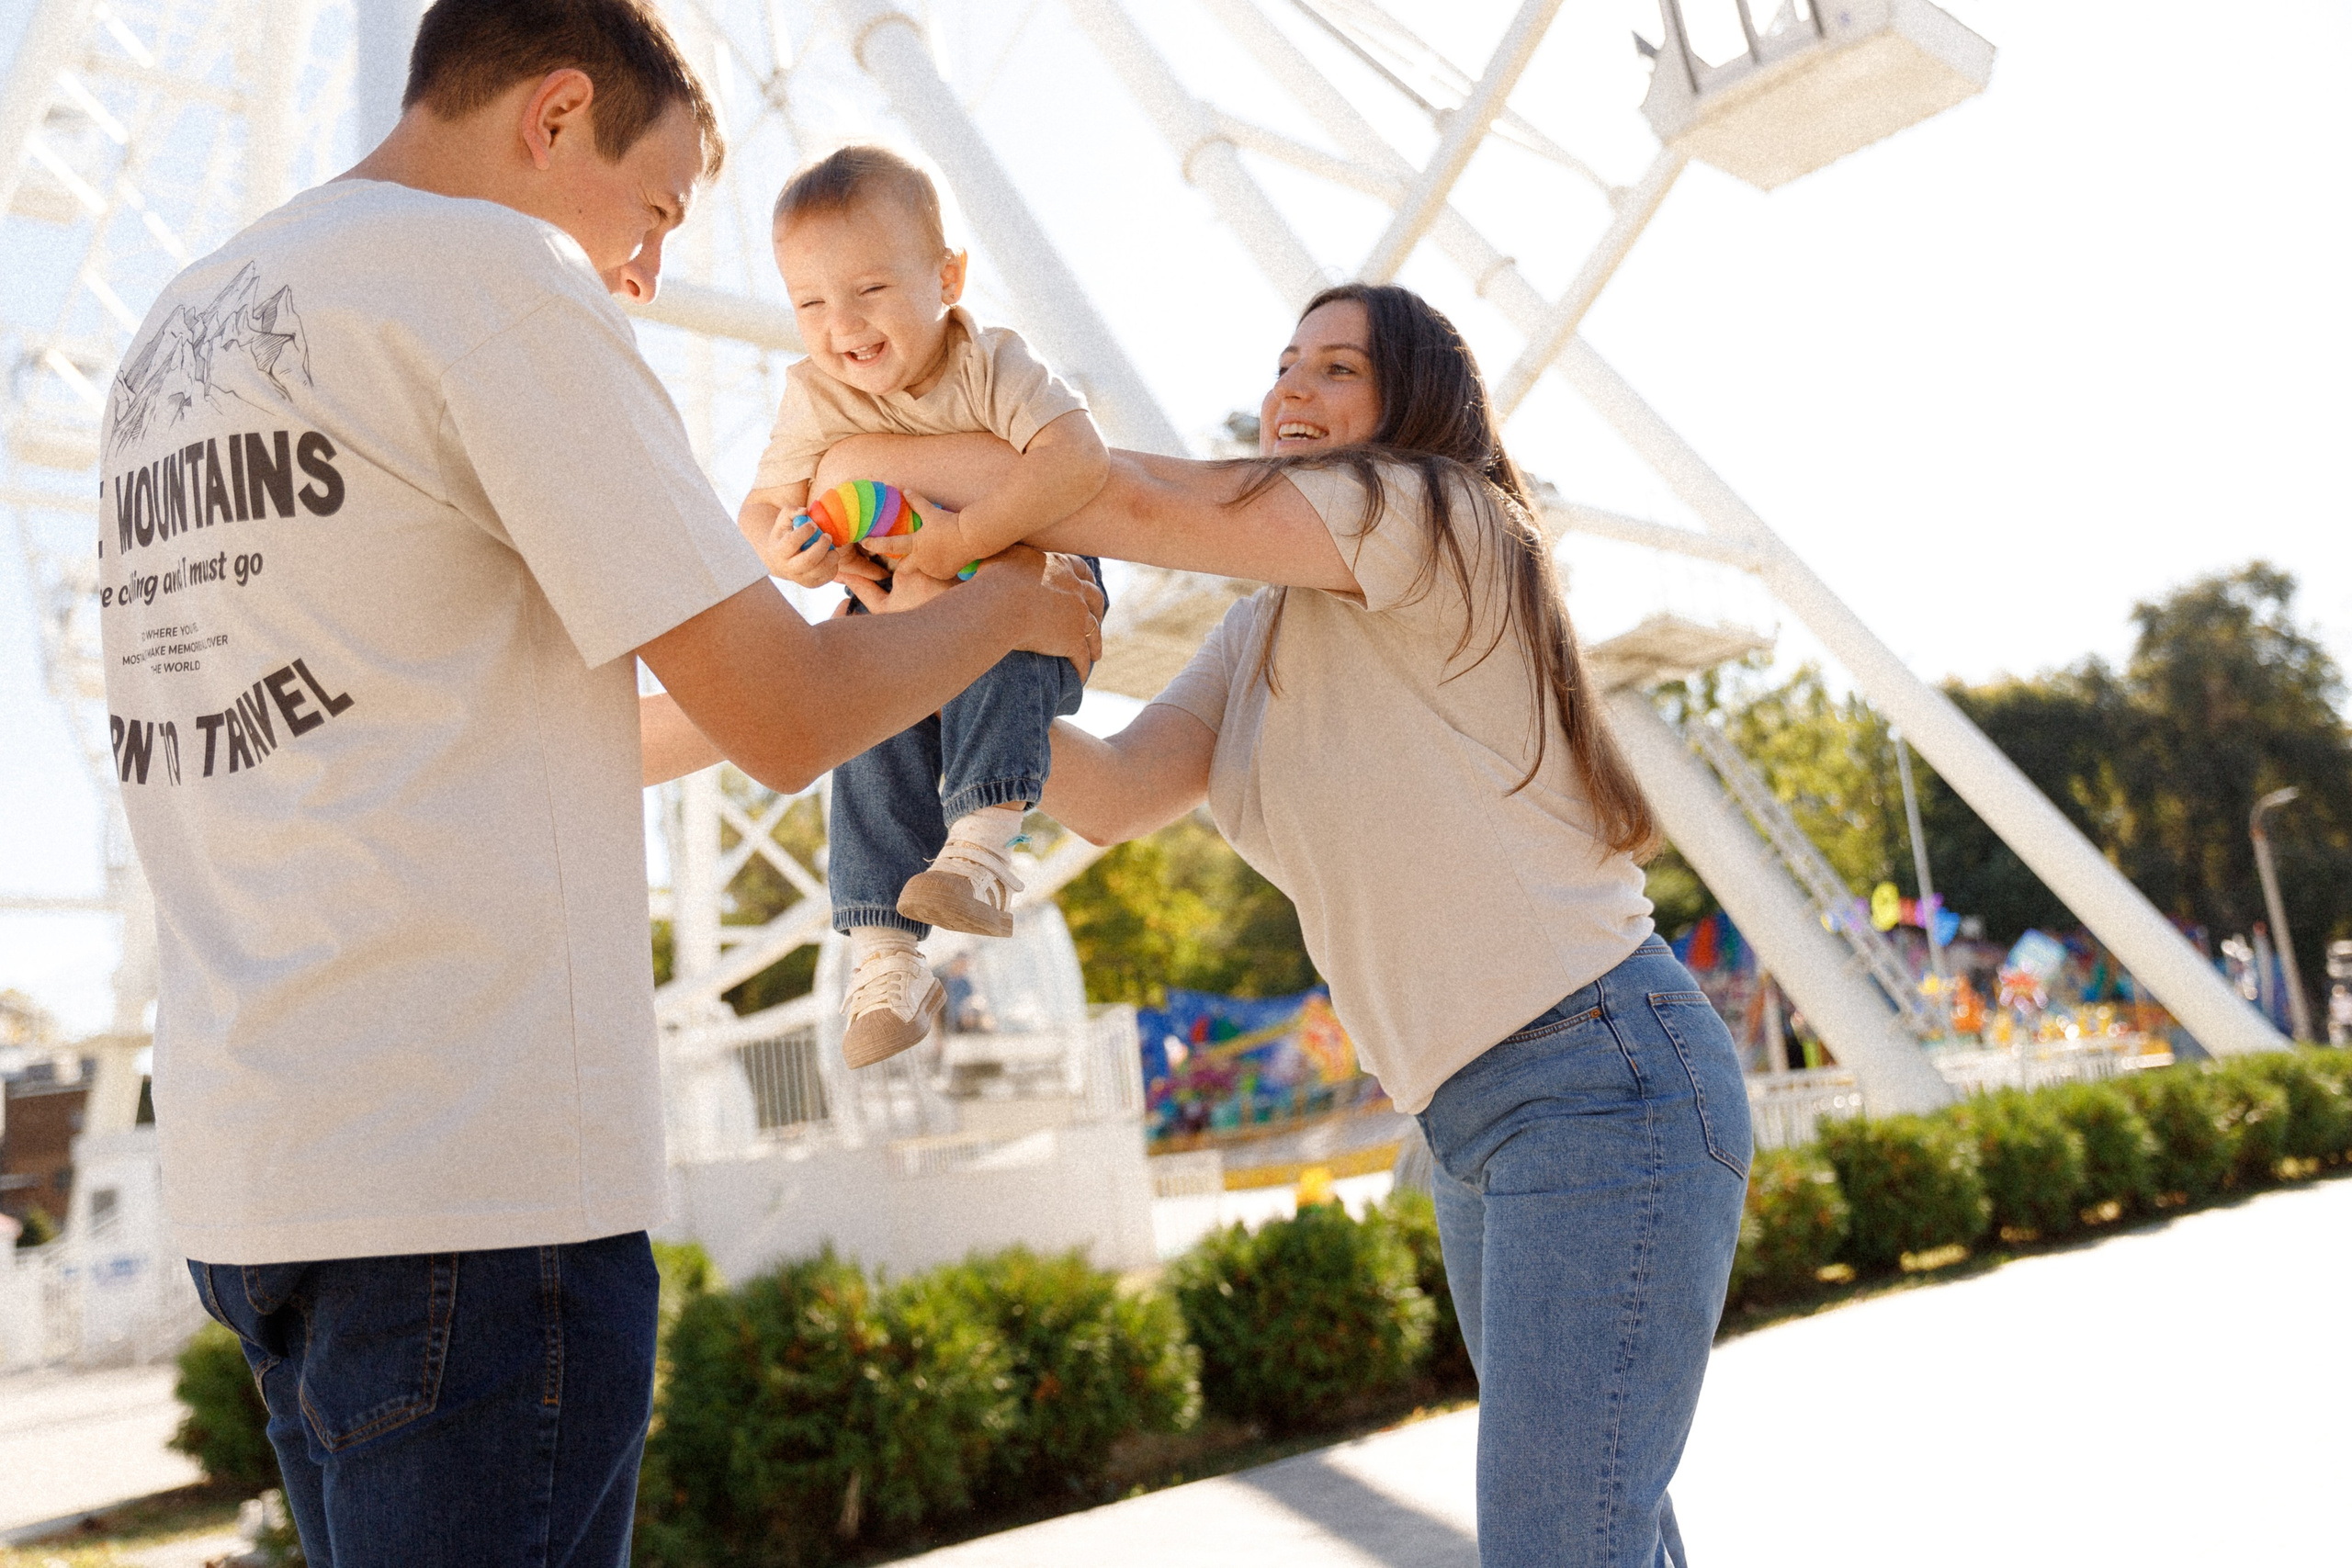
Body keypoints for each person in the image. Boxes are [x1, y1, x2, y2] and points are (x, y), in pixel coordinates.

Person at [94, 3, 1100, 1563]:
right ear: (557, 113)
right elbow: (787, 720)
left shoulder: (179, 329)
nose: (643, 271)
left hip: (263, 1178)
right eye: (656, 210)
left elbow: (509, 728)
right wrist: (1018, 605)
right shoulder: (494, 277)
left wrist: (853, 637)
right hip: (475, 1182)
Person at [832, 283, 1750, 1568]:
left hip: (1599, 1076)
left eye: (1337, 369)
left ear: (1415, 402)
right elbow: (1113, 794)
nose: (1291, 392)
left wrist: (857, 452)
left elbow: (1137, 501)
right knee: (1598, 1534)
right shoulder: (1260, 623)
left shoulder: (1436, 512)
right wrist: (933, 640)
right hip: (1473, 1116)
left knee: (1562, 1542)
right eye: (1283, 366)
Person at [737, 145, 1110, 1069]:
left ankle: (979, 851)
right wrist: (786, 550)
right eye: (810, 304)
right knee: (862, 717)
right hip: (897, 596)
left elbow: (1077, 458)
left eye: (869, 289)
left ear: (946, 279)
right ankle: (884, 959)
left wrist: (964, 536)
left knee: (998, 630)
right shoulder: (814, 393)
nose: (842, 325)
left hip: (1028, 571)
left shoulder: (993, 364)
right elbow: (762, 508)